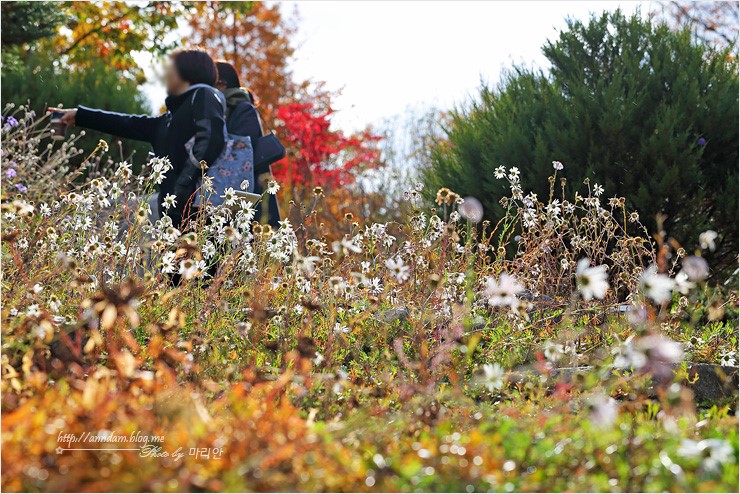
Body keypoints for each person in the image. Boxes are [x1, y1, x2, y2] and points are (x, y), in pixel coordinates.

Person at [59, 48, 226, 229]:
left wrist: (184, 184)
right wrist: (79, 115)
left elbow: (211, 139)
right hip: (173, 216)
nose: (167, 74)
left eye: (171, 67)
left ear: (186, 70)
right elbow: (126, 123)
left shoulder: (203, 95)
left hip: (201, 212)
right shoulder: (168, 120)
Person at [215, 60, 281, 228]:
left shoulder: (243, 108)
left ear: (221, 84)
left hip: (251, 196)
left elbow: (241, 149)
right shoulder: (227, 110)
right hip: (237, 197)